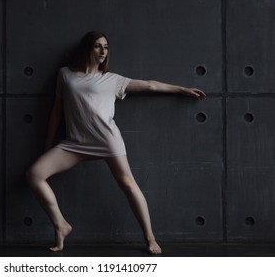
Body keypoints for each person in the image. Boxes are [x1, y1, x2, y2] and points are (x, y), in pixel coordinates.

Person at [26, 31, 206, 255]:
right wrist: (48, 143)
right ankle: (61, 225)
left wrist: (181, 90)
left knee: (128, 184)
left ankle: (150, 237)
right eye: (97, 46)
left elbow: (150, 85)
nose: (103, 51)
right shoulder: (65, 74)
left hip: (107, 140)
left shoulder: (112, 80)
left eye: (106, 47)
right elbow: (56, 110)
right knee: (34, 174)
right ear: (87, 49)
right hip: (75, 142)